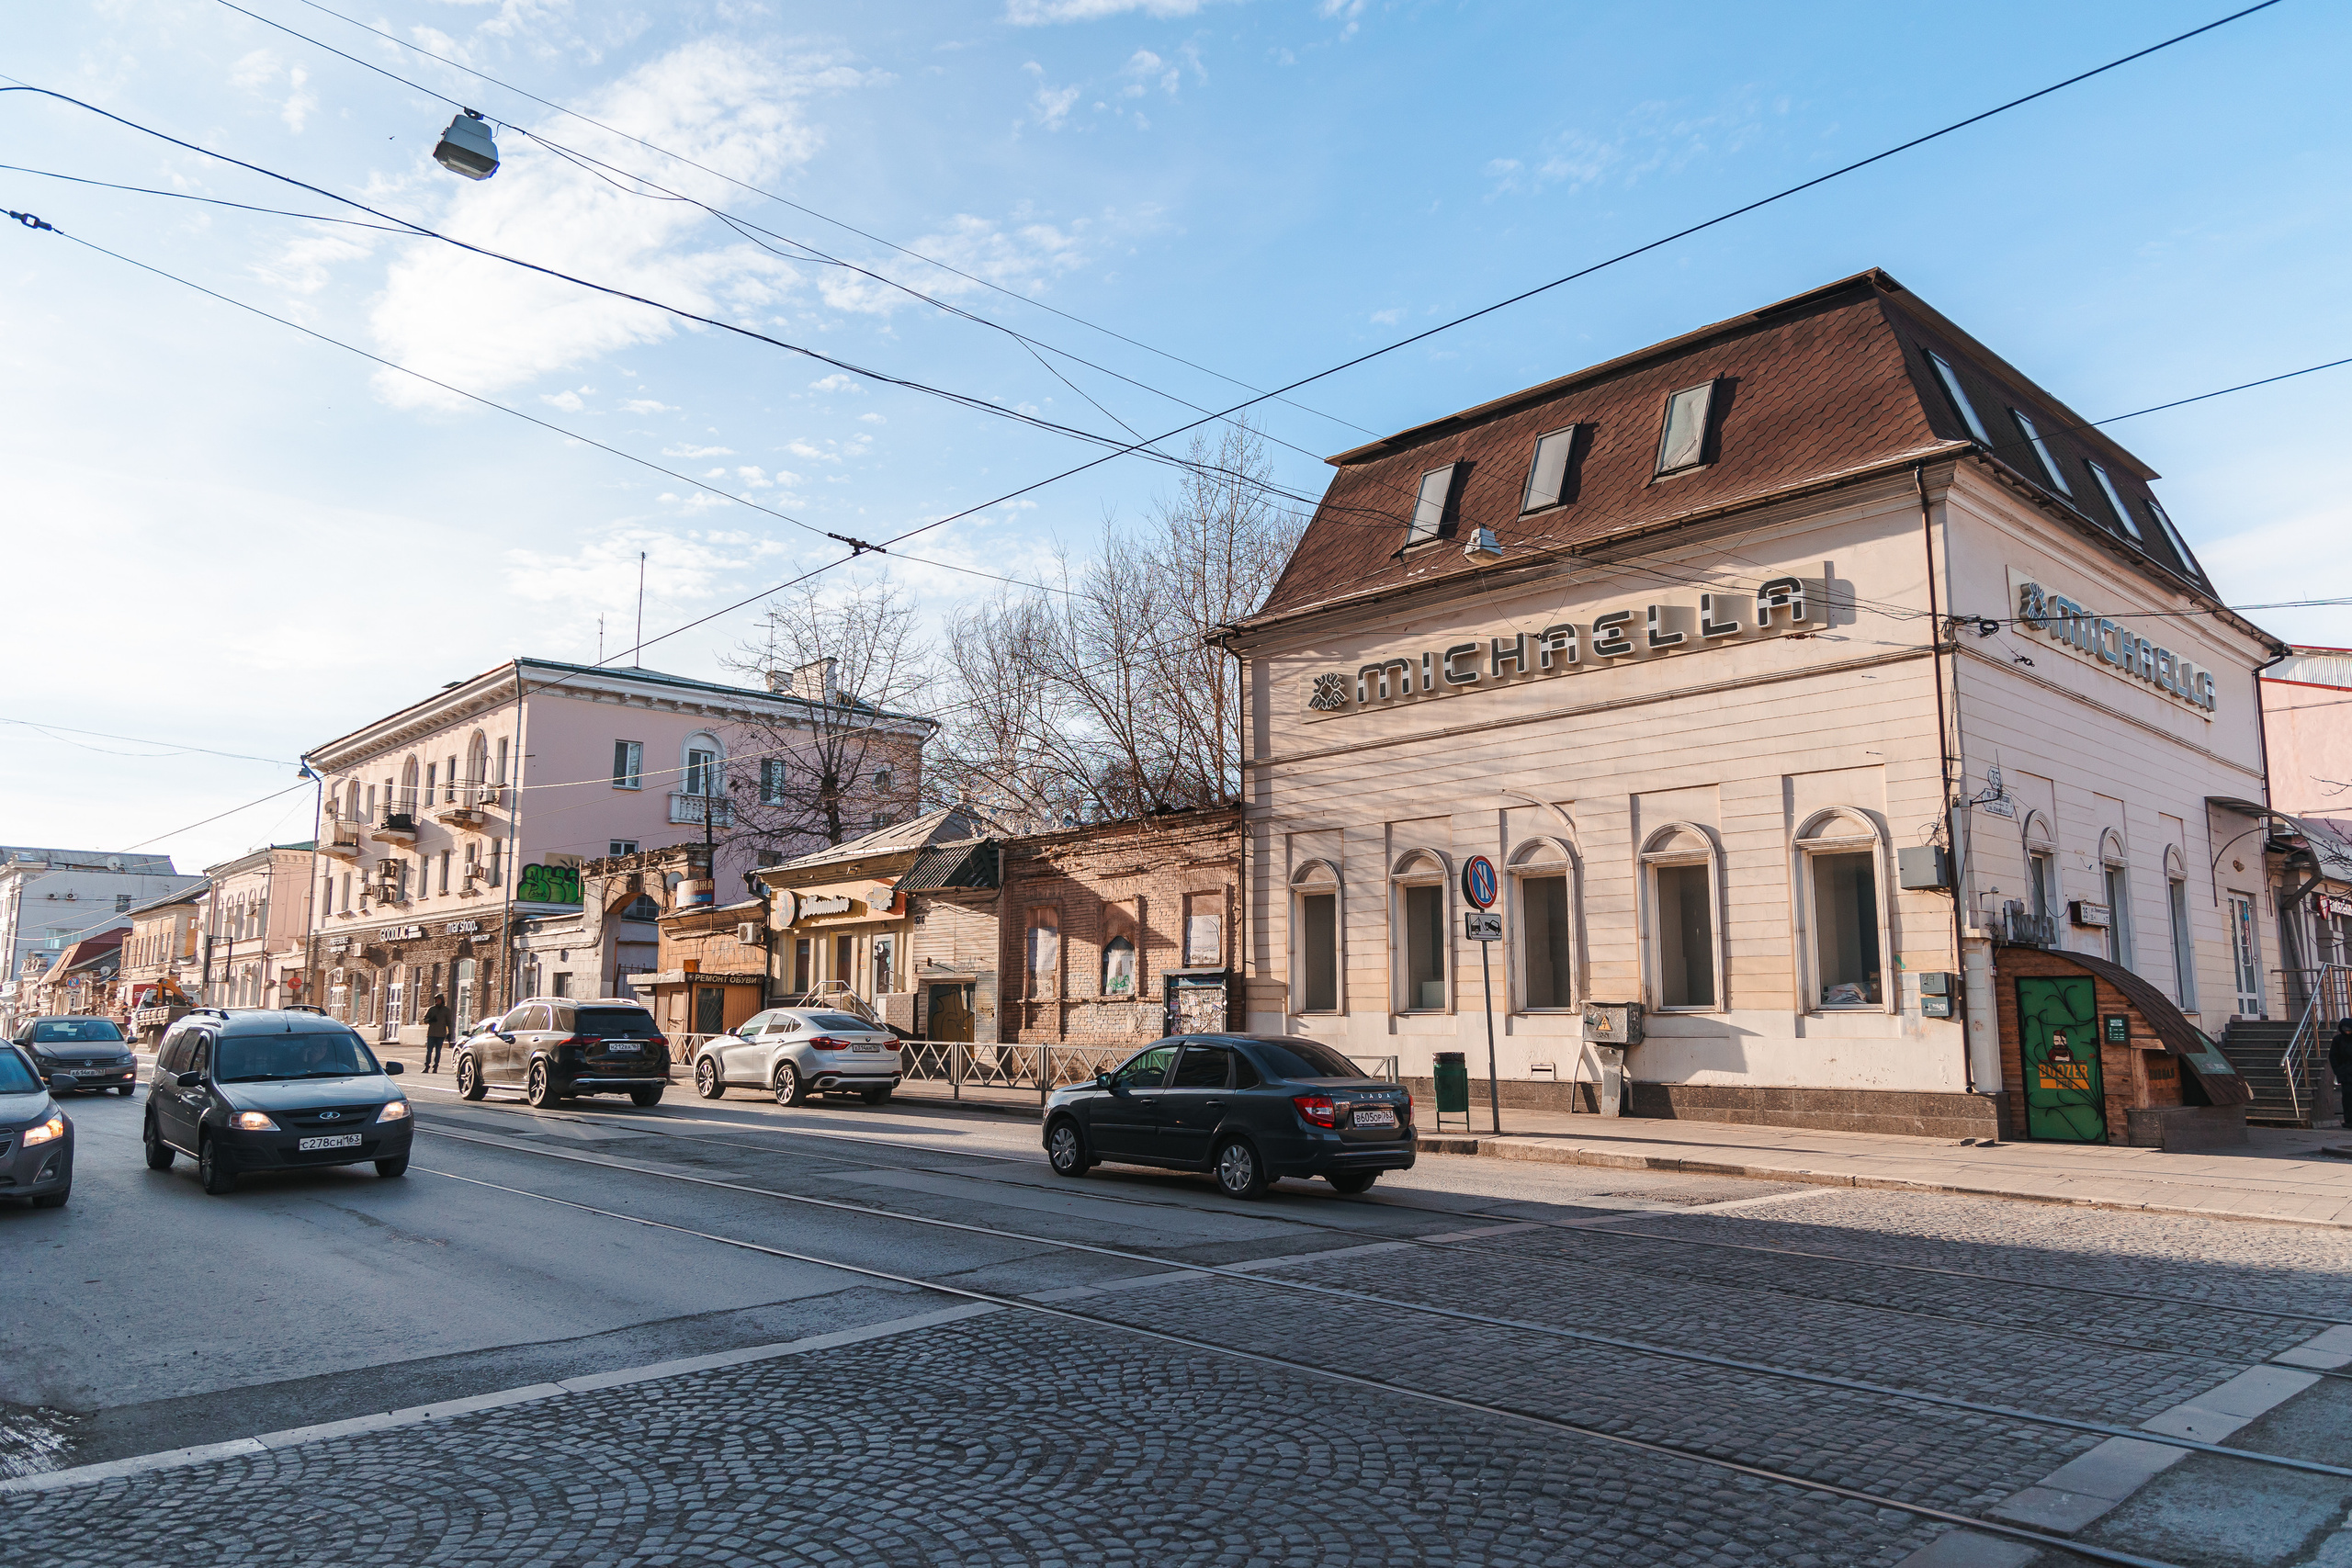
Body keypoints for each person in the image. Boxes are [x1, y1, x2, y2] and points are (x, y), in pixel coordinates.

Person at [423, 994, 453, 1075]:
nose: (437, 1001)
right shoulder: (431, 1009)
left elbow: (449, 1023)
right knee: (429, 1051)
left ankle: (435, 1066)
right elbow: (424, 1020)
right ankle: (427, 1066)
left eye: (439, 1000)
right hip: (431, 1033)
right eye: (436, 1000)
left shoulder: (446, 1010)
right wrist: (430, 1020)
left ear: (442, 1000)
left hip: (441, 1034)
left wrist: (450, 1033)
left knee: (438, 1051)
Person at [2331, 1018, 2352, 1127]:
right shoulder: (2338, 1040)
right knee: (2348, 1098)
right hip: (2345, 1073)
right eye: (2345, 1030)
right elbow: (2333, 1056)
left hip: (2346, 1071)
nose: (2347, 1032)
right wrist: (2338, 1071)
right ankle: (2349, 1120)